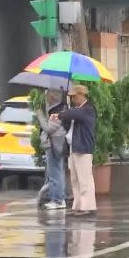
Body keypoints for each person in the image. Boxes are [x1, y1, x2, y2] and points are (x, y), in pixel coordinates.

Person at [51, 85, 97, 216]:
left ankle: (87, 206)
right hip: (74, 147)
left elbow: (73, 114)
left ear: (81, 95)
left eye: (73, 96)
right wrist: (63, 115)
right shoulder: (75, 110)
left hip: (83, 147)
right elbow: (68, 121)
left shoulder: (88, 109)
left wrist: (60, 114)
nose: (72, 99)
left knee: (84, 179)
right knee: (75, 179)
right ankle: (78, 205)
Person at [36, 90, 67, 210]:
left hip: (54, 146)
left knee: (55, 173)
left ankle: (58, 200)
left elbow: (48, 128)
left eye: (49, 95)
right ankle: (57, 198)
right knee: (56, 172)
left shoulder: (58, 112)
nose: (47, 97)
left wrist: (39, 114)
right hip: (54, 145)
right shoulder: (57, 110)